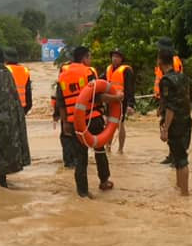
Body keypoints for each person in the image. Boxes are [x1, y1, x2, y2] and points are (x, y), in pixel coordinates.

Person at [56, 46, 116, 197]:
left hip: (74, 122)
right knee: (100, 150)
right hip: (93, 118)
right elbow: (98, 96)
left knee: (80, 158)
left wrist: (65, 123)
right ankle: (104, 181)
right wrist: (116, 99)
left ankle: (82, 192)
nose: (90, 60)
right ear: (84, 58)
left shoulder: (62, 75)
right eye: (89, 57)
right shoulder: (89, 72)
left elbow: (61, 103)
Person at [0, 43, 31, 187]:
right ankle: (3, 187)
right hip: (11, 119)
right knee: (7, 152)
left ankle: (1, 189)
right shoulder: (6, 72)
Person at [158, 49, 192, 195]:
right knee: (179, 156)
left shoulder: (166, 80)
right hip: (186, 120)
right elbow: (187, 99)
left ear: (160, 61)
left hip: (175, 123)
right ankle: (179, 187)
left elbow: (171, 107)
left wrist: (165, 129)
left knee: (181, 159)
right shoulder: (183, 77)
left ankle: (185, 193)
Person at [155, 37, 183, 165]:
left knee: (171, 127)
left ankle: (174, 156)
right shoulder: (164, 61)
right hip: (165, 98)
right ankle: (171, 155)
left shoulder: (174, 61)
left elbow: (174, 82)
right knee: (167, 126)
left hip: (172, 100)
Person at [105, 48, 136, 154]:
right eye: (113, 56)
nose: (114, 58)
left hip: (121, 101)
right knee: (108, 123)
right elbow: (101, 81)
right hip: (110, 100)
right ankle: (108, 147)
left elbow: (130, 88)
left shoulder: (126, 70)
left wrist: (130, 104)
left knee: (120, 124)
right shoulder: (109, 69)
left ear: (121, 59)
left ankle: (120, 149)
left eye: (117, 57)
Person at [4, 46, 33, 115]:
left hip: (8, 109)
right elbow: (28, 93)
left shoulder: (5, 70)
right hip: (22, 109)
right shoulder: (25, 70)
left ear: (5, 58)